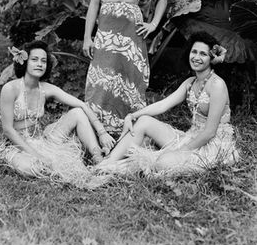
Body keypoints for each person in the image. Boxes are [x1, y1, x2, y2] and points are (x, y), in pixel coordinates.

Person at [97, 32, 239, 175]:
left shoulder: (217, 85)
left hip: (212, 145)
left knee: (163, 162)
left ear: (211, 59)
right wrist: (132, 115)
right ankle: (106, 163)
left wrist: (181, 150)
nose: (196, 57)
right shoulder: (190, 83)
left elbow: (209, 132)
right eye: (194, 52)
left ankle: (124, 168)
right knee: (144, 121)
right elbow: (163, 105)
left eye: (203, 54)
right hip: (192, 136)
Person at [0, 40, 108, 188]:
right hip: (17, 146)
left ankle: (99, 161)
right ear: (24, 62)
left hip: (42, 140)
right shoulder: (10, 89)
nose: (39, 64)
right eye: (34, 59)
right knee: (30, 168)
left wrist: (102, 132)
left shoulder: (46, 88)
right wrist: (37, 155)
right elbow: (8, 130)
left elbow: (81, 104)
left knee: (77, 113)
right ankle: (40, 162)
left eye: (43, 61)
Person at [83, 0, 167, 150]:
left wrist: (153, 24)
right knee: (102, 81)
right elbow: (93, 4)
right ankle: (97, 134)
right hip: (107, 34)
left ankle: (129, 137)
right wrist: (87, 38)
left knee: (130, 83)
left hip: (132, 37)